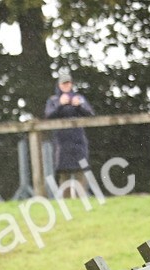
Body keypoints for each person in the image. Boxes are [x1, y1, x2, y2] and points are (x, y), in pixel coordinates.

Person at [43, 68, 94, 198]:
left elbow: (90, 114)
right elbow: (48, 116)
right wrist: (60, 105)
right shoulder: (53, 100)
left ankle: (82, 202)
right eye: (64, 83)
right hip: (61, 143)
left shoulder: (79, 98)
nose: (67, 86)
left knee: (80, 172)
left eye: (69, 83)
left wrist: (79, 106)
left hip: (78, 142)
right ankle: (64, 202)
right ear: (59, 85)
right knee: (64, 175)